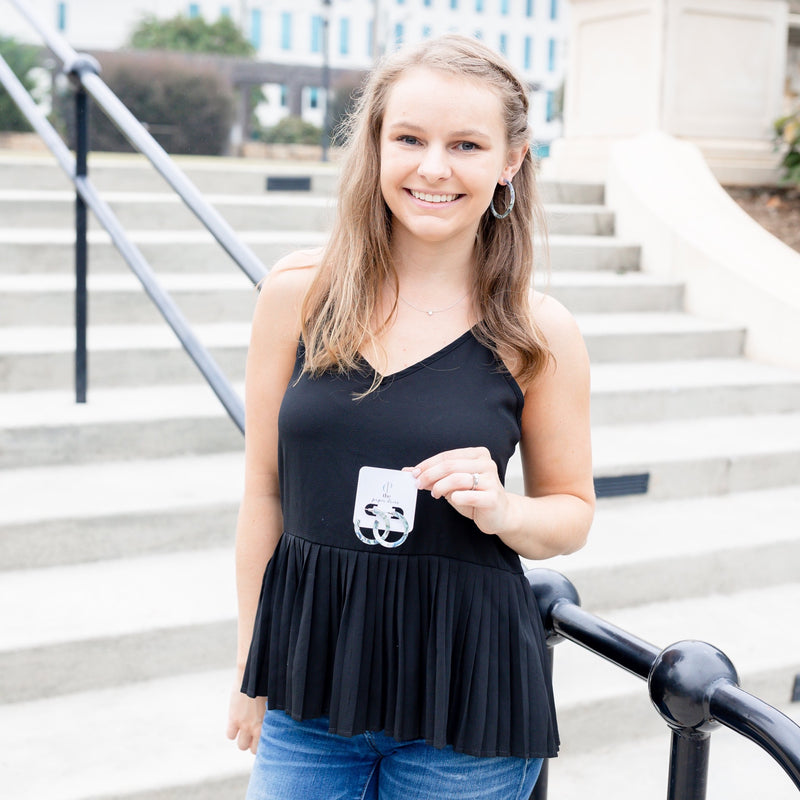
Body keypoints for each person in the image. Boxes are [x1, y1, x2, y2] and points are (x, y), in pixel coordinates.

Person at [226, 34, 595, 800]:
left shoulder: (538, 330)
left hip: (466, 708)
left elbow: (570, 514)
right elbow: (264, 490)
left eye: (466, 144)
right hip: (309, 688)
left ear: (510, 162)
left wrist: (501, 509)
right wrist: (249, 667)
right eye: (410, 139)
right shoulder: (297, 294)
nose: (434, 168)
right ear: (376, 146)